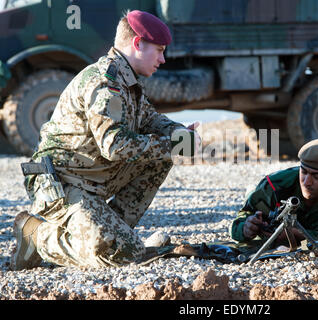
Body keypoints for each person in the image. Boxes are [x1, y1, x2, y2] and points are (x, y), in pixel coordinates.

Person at [10, 10, 201, 270]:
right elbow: (115, 145)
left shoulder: (127, 82)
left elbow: (150, 119)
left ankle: (113, 234)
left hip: (92, 179)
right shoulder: (105, 83)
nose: (163, 59)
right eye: (158, 50)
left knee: (160, 157)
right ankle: (38, 236)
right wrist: (171, 145)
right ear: (137, 44)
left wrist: (181, 135)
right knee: (123, 256)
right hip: (62, 184)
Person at [229, 138, 318, 245]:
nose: (307, 182)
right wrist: (245, 229)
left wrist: (298, 234)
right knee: (256, 196)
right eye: (304, 172)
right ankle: (251, 191)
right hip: (270, 200)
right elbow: (237, 224)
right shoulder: (275, 186)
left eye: (317, 176)